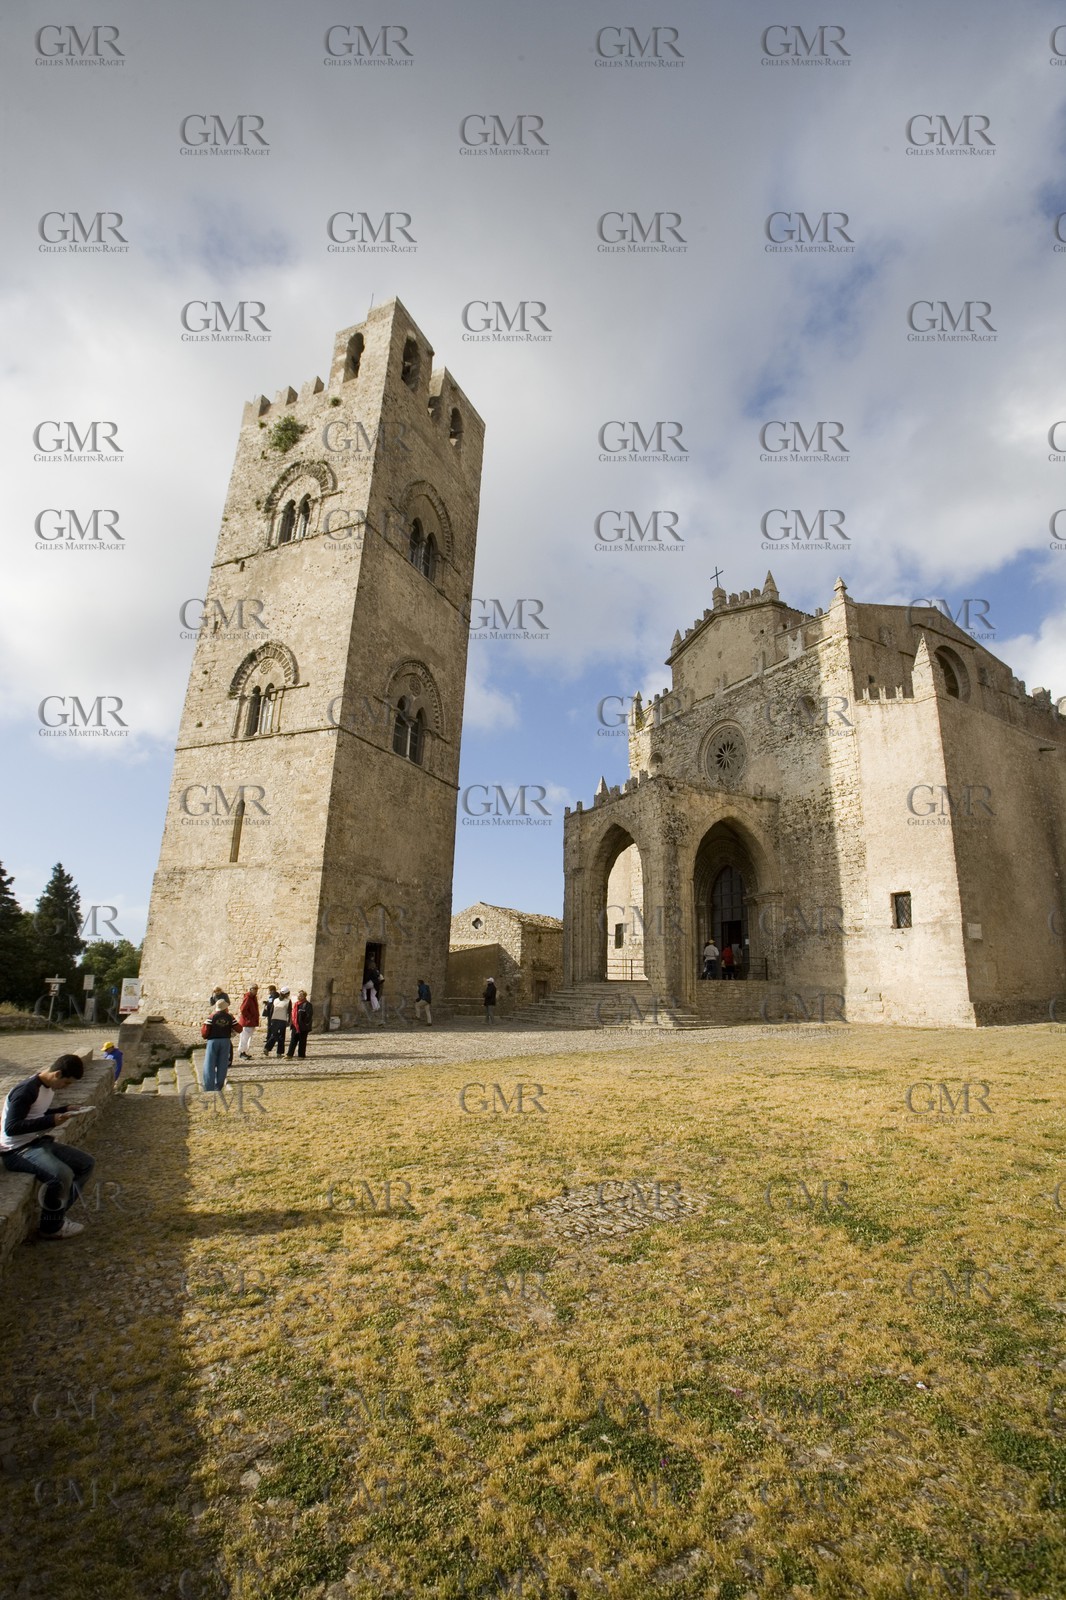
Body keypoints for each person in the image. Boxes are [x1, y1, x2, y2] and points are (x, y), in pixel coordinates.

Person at [0, 1053, 94, 1239]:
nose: (66, 1088)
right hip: (16, 1150)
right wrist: (51, 1120)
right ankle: (51, 1228)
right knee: (61, 1175)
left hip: (35, 1142)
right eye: (67, 1083)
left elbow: (37, 1112)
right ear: (57, 1074)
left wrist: (64, 1109)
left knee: (86, 1163)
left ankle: (56, 1215)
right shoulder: (26, 1090)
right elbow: (11, 1128)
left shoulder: (48, 1088)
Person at [202, 998, 237, 1090]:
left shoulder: (212, 1017)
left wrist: (207, 1036)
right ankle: (219, 1086)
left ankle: (209, 1087)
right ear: (226, 1008)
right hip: (225, 1040)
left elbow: (204, 1031)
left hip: (213, 1041)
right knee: (223, 1063)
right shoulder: (230, 1017)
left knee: (209, 1063)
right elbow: (239, 1028)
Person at [287, 990, 313, 1058]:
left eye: (300, 995)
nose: (299, 996)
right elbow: (293, 1014)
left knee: (302, 1042)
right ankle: (289, 1055)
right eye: (298, 995)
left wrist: (304, 1023)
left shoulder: (307, 1005)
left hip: (303, 1027)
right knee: (293, 1041)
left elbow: (309, 1015)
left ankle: (301, 1055)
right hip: (295, 1026)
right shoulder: (296, 1004)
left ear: (304, 996)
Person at [263, 985, 287, 1056]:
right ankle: (278, 1052)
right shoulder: (286, 1001)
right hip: (281, 1019)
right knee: (280, 1036)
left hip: (276, 1019)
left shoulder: (276, 999)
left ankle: (268, 1048)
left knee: (276, 1034)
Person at [237, 984, 260, 1059]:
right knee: (244, 1037)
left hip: (251, 1022)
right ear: (250, 989)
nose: (256, 991)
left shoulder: (253, 998)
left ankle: (244, 1051)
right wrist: (249, 1017)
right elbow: (243, 1009)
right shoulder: (248, 998)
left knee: (248, 1038)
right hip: (247, 1022)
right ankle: (241, 1052)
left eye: (256, 989)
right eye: (254, 989)